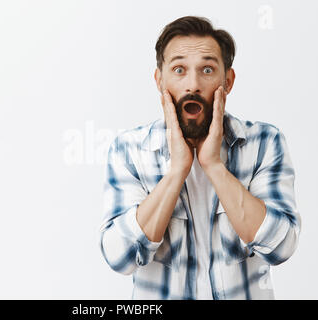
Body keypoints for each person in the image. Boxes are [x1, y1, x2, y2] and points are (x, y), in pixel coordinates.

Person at [99, 16, 301, 300]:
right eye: (179, 69)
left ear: (227, 81)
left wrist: (214, 166)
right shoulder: (129, 150)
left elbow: (280, 247)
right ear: (160, 81)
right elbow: (121, 257)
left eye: (207, 69)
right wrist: (176, 172)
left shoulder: (265, 143)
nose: (192, 85)